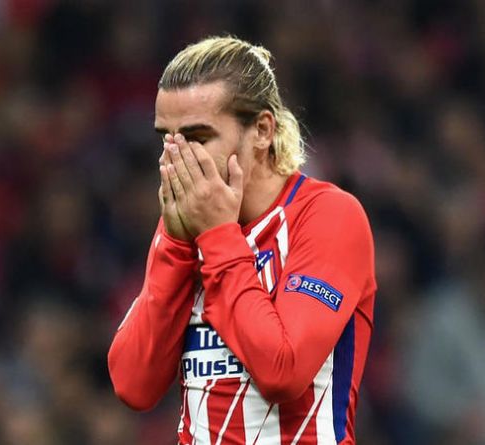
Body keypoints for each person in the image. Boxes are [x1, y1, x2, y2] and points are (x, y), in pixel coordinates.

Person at [107, 36, 376, 444]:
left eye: (198, 138)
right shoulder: (183, 230)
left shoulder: (328, 216)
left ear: (262, 131)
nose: (176, 159)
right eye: (167, 139)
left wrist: (218, 238)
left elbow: (283, 372)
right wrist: (176, 247)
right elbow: (133, 385)